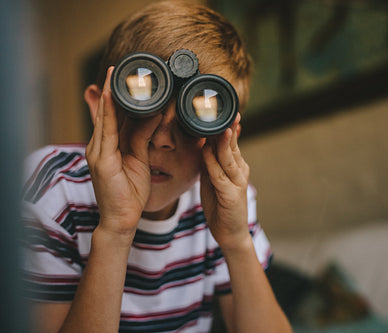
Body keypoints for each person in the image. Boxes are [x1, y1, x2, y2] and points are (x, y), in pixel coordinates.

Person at [22, 1, 292, 332]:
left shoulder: (225, 201)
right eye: (142, 109)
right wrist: (116, 229)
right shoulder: (52, 189)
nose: (162, 140)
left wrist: (235, 240)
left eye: (194, 121)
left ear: (227, 135)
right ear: (100, 107)